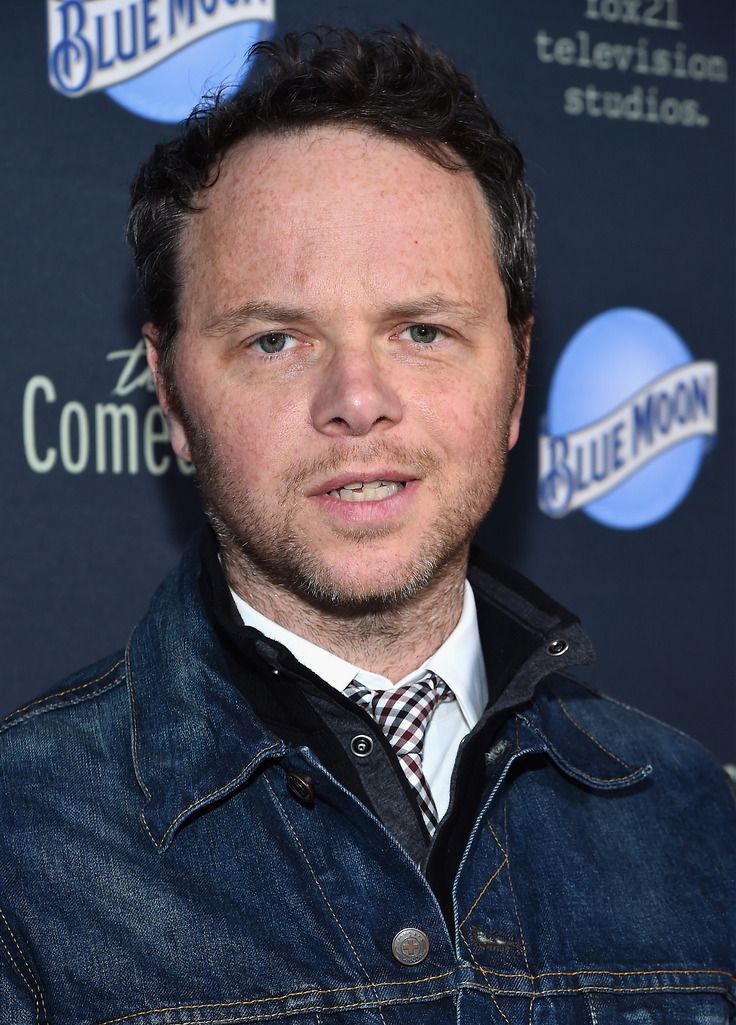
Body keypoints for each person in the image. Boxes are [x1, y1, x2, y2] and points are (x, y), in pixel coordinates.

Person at [1, 27, 734, 1025]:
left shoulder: (690, 813)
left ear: (517, 376)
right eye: (275, 338)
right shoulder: (24, 841)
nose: (356, 400)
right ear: (169, 395)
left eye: (421, 330)